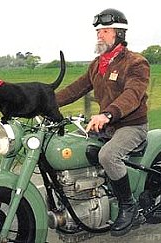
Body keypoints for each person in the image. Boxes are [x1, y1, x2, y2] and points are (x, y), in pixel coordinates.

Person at [56, 8, 150, 236]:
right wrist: (44, 103)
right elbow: (75, 89)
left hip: (131, 125)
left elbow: (132, 95)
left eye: (105, 31)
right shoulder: (98, 64)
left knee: (107, 156)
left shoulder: (136, 63)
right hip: (107, 125)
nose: (100, 36)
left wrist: (108, 114)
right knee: (74, 147)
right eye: (98, 32)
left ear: (118, 34)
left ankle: (128, 205)